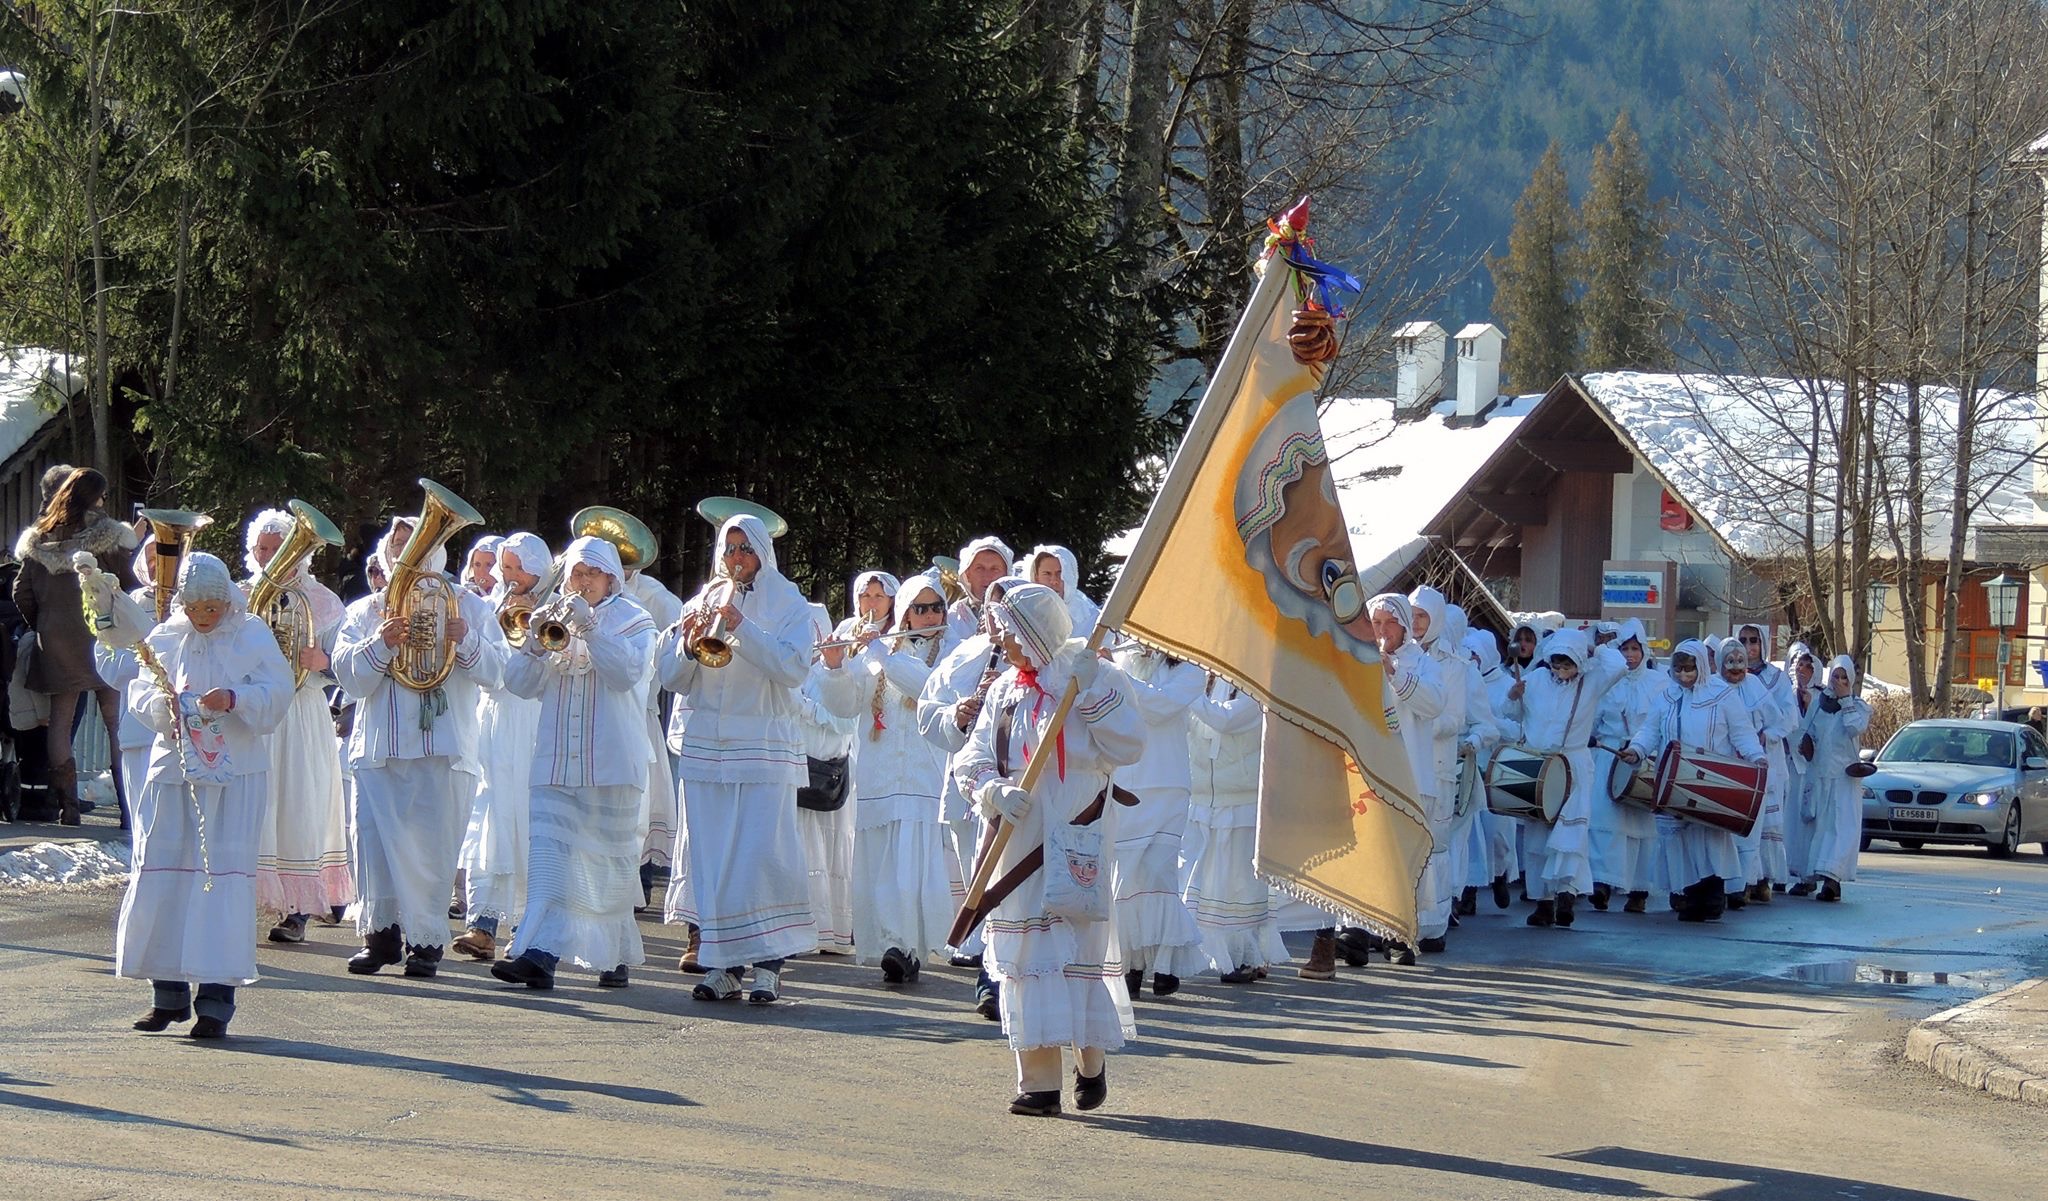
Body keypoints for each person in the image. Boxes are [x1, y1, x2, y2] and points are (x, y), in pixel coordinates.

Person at [955, 582, 1144, 1117]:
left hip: (1078, 831)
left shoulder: (1095, 675)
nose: (1003, 642)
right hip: (1017, 835)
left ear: (1037, 632)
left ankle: (1090, 1059)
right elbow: (971, 757)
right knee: (1027, 956)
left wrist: (1088, 696)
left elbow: (1130, 744)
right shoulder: (1004, 691)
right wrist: (990, 789)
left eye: (1012, 633)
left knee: (1073, 949)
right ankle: (1038, 1083)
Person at [111, 553, 292, 1039]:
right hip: (174, 772)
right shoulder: (167, 637)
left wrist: (234, 699)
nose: (204, 618)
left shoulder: (252, 634)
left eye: (212, 608)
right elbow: (140, 688)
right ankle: (166, 996)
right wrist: (161, 706)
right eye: (194, 608)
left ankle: (215, 1003)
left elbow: (278, 691)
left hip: (233, 775)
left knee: (217, 883)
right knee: (167, 883)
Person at [333, 516, 505, 978]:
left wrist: (464, 637)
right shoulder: (365, 611)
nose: (405, 556)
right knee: (373, 846)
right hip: (378, 748)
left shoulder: (468, 606)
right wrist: (381, 643)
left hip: (442, 748)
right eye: (399, 547)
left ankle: (425, 943)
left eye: (417, 547)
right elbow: (348, 676)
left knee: (432, 849)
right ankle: (381, 939)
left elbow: (498, 673)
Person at [658, 510, 817, 1004]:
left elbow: (793, 669)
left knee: (760, 859)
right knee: (714, 859)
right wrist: (686, 643)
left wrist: (741, 627)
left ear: (762, 554)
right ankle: (722, 964)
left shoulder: (789, 601)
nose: (736, 558)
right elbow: (671, 679)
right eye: (728, 550)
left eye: (745, 549)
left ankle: (769, 966)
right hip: (707, 749)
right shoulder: (702, 598)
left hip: (764, 750)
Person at [490, 536, 657, 990]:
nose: (581, 583)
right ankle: (539, 955)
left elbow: (625, 676)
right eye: (575, 575)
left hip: (610, 764)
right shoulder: (554, 617)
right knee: (550, 862)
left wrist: (592, 629)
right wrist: (536, 646)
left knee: (608, 865)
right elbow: (518, 685)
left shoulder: (635, 621)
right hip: (556, 764)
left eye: (590, 575)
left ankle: (615, 953)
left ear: (610, 578)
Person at [819, 571, 958, 984]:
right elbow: (847, 705)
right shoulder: (878, 649)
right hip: (880, 776)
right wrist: (835, 669)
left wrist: (879, 652)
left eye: (936, 607)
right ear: (906, 613)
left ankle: (907, 945)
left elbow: (931, 688)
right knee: (882, 866)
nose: (929, 614)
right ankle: (889, 943)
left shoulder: (952, 651)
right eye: (920, 608)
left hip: (922, 778)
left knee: (912, 868)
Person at [1305, 593, 1441, 977]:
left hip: (1408, 772)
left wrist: (1393, 673)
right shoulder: (1358, 658)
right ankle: (1356, 931)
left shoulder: (1423, 664)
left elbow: (1434, 704)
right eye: (1375, 623)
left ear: (1403, 626)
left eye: (1388, 624)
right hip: (1366, 769)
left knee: (1399, 853)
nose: (1381, 631)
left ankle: (1398, 935)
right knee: (1363, 847)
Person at [918, 573, 1027, 1018]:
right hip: (968, 788)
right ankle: (990, 968)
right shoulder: (962, 655)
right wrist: (957, 715)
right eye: (992, 611)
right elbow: (928, 716)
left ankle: (998, 978)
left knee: (1010, 882)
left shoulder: (1041, 660)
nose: (999, 621)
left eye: (1008, 612)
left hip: (1020, 791)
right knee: (977, 883)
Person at [243, 509, 354, 942]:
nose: (270, 558)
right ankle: (246, 895)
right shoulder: (242, 595)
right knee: (255, 802)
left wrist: (324, 664)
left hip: (301, 710)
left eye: (278, 549)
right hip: (253, 712)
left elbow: (349, 665)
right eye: (263, 549)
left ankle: (298, 908)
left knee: (297, 801)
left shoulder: (323, 601)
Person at [12, 466, 137, 825]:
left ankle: (68, 807)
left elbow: (21, 593)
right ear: (93, 497)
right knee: (116, 722)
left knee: (60, 723)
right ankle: (128, 810)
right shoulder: (109, 537)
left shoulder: (38, 540)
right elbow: (130, 584)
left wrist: (44, 624)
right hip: (106, 635)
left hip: (57, 641)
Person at [453, 531, 551, 961]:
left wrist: (536, 625)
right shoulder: (489, 609)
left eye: (516, 568)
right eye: (504, 568)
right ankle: (482, 925)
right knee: (488, 818)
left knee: (529, 822)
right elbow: (485, 670)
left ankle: (529, 929)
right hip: (492, 724)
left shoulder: (555, 608)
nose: (507, 577)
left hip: (533, 722)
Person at [1625, 639, 1762, 922]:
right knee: (1677, 838)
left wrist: (1757, 757)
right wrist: (1636, 750)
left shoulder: (1722, 695)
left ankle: (1711, 898)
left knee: (1708, 838)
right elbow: (1650, 731)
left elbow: (1742, 732)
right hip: (1673, 781)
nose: (1684, 675)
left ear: (1700, 666)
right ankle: (1684, 894)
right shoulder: (1665, 697)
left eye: (1689, 669)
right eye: (1679, 669)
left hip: (1711, 781)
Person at [1499, 628, 1626, 928]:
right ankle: (1543, 902)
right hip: (1538, 765)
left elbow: (1619, 666)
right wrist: (1512, 696)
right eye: (1557, 663)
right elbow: (1510, 714)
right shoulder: (1535, 680)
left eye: (1568, 664)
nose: (1561, 670)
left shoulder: (1591, 682)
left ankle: (1567, 895)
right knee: (1538, 837)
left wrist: (1595, 649)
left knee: (1570, 835)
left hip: (1574, 765)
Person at [1107, 643, 1209, 995]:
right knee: (1128, 875)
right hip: (1126, 780)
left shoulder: (1192, 668)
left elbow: (1159, 707)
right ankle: (1130, 963)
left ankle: (1165, 963)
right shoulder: (1121, 658)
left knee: (1160, 874)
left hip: (1168, 780)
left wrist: (1116, 675)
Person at [1183, 671, 1287, 983]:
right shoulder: (1203, 679)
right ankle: (1215, 953)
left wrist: (1182, 692)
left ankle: (1246, 956)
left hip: (1242, 796)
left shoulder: (1257, 682)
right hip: (1204, 793)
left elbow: (1226, 720)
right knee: (1210, 880)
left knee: (1241, 881)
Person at [794, 600, 858, 955]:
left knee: (825, 854)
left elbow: (846, 722)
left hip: (823, 773)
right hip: (793, 772)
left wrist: (802, 708)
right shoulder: (790, 672)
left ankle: (828, 932)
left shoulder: (836, 674)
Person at [1407, 587, 1468, 953]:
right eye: (1411, 616)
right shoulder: (1401, 658)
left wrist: (1418, 719)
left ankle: (1434, 924)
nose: (1415, 624)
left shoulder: (1454, 665)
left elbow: (1454, 719)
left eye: (1422, 617)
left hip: (1439, 766)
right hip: (1408, 764)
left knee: (1436, 846)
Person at [1589, 619, 1659, 914]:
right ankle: (1602, 883)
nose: (1630, 655)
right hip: (1610, 755)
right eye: (1625, 649)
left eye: (1634, 648)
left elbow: (1660, 723)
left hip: (1644, 759)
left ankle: (1639, 888)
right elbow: (1593, 717)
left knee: (1641, 825)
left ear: (1643, 650)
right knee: (1605, 819)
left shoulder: (1659, 683)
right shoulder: (1606, 681)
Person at [1718, 640, 1790, 909]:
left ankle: (1743, 885)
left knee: (1749, 829)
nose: (1736, 667)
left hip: (1752, 768)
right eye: (1730, 661)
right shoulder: (1714, 688)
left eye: (1740, 661)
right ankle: (1725, 882)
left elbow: (1779, 719)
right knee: (1724, 829)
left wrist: (1765, 736)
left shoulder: (1755, 687)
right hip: (1723, 767)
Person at [1733, 623, 1796, 902]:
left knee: (1768, 823)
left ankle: (1764, 879)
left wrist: (1767, 735)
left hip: (1768, 756)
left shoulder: (1776, 679)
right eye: (1743, 640)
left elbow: (1790, 716)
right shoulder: (1729, 676)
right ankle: (1743, 878)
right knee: (1742, 818)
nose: (1749, 646)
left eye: (1754, 640)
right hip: (1738, 758)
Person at [1802, 655, 1870, 903]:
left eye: (1844, 677)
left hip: (1843, 780)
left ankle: (1833, 880)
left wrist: (1845, 700)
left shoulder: (1859, 707)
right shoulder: (1819, 706)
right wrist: (1806, 744)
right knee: (1819, 827)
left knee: (1840, 829)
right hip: (1821, 777)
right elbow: (1807, 732)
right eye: (1836, 676)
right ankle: (1809, 875)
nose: (1839, 681)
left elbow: (1855, 728)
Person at [1461, 628, 1520, 910]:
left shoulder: (1507, 684)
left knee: (1497, 832)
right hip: (1469, 766)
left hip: (1498, 770)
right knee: (1470, 832)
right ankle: (1468, 890)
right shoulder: (1459, 680)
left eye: (1475, 654)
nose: (1471, 659)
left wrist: (1489, 724)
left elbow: (1519, 729)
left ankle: (1499, 874)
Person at [1781, 643, 1822, 894]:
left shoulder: (1822, 698)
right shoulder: (1783, 693)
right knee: (1785, 822)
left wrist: (1808, 704)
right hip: (1787, 768)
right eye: (1799, 664)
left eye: (1808, 665)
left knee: (1806, 823)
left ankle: (1806, 876)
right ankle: (1781, 872)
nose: (1803, 670)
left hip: (1810, 769)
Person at [1022, 545, 1101, 641]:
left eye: (1060, 573)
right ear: (1036, 577)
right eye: (1047, 574)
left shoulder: (1092, 618)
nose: (1054, 581)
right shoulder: (1024, 611)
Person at [946, 536, 1014, 641]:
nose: (987, 576)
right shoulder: (953, 617)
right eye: (979, 568)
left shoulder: (1019, 613)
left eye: (995, 569)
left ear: (1006, 575)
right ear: (967, 574)